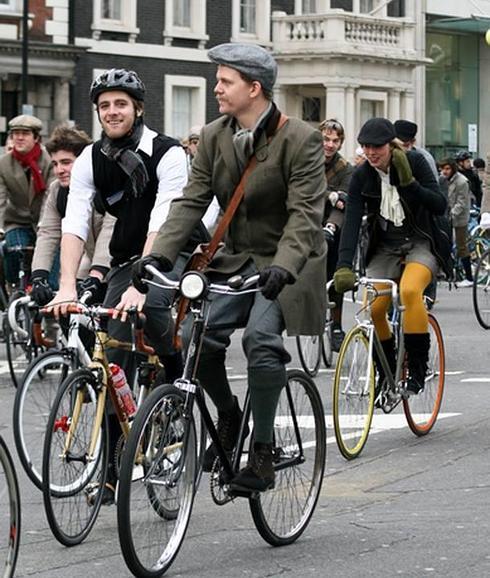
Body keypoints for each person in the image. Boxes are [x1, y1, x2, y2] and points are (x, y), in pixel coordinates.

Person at [132, 43, 327, 492]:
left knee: (261, 339)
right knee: (191, 339)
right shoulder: (216, 135)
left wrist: (283, 266)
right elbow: (191, 200)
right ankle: (230, 414)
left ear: (254, 88)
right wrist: (159, 253)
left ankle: (261, 451)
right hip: (236, 260)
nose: (216, 88)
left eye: (225, 81)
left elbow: (304, 215)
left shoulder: (300, 138)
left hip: (289, 263)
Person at [47, 68, 209, 503]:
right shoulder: (90, 159)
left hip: (172, 252)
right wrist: (66, 285)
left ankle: (175, 376)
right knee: (111, 354)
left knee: (151, 309)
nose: (112, 112)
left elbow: (163, 220)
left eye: (121, 104)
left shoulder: (167, 153)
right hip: (126, 256)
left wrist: (142, 285)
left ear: (137, 108)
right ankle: (112, 470)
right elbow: (74, 222)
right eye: (104, 106)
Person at [334, 118, 448, 397]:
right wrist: (343, 266)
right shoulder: (363, 175)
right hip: (385, 246)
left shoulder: (415, 163)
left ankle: (418, 370)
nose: (371, 153)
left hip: (421, 240)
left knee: (409, 291)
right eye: (365, 147)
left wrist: (410, 184)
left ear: (390, 145)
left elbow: (439, 204)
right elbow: (351, 222)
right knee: (373, 307)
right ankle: (386, 370)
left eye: (377, 147)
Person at [30, 124, 115, 307]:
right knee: (66, 308)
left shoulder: (106, 184)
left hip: (120, 263)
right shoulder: (57, 191)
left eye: (66, 162)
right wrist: (39, 276)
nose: (59, 170)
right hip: (91, 259)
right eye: (55, 164)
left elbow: (111, 229)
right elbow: (48, 233)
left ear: (84, 161)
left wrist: (97, 274)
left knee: (116, 324)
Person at [0, 114, 56, 290]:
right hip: (17, 219)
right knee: (15, 249)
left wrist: (44, 222)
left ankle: (47, 290)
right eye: (15, 133)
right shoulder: (3, 163)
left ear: (36, 137)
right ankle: (14, 286)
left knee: (50, 254)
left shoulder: (48, 161)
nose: (19, 138)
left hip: (45, 219)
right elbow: (0, 197)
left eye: (24, 133)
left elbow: (50, 193)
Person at [319, 118, 353, 351]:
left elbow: (346, 196)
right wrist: (330, 195)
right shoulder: (307, 160)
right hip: (308, 218)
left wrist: (337, 197)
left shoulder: (345, 168)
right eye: (326, 139)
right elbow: (303, 186)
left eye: (335, 141)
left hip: (335, 226)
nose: (330, 145)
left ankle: (337, 325)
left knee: (336, 276)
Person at [439, 158, 473, 287]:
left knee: (461, 246)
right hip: (446, 217)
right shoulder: (442, 180)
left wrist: (451, 214)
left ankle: (469, 277)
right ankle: (449, 273)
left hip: (459, 218)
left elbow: (462, 203)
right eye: (443, 169)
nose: (444, 171)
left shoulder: (462, 181)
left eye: (447, 169)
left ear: (453, 168)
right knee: (445, 243)